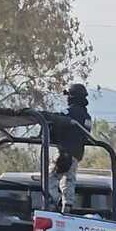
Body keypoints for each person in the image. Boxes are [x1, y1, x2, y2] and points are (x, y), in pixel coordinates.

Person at [42, 83, 92, 212]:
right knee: (69, 180)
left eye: (68, 95)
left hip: (63, 153)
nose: (67, 98)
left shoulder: (68, 112)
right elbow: (85, 135)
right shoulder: (87, 117)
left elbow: (56, 122)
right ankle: (67, 205)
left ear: (72, 97)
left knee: (49, 179)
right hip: (76, 155)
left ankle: (53, 201)